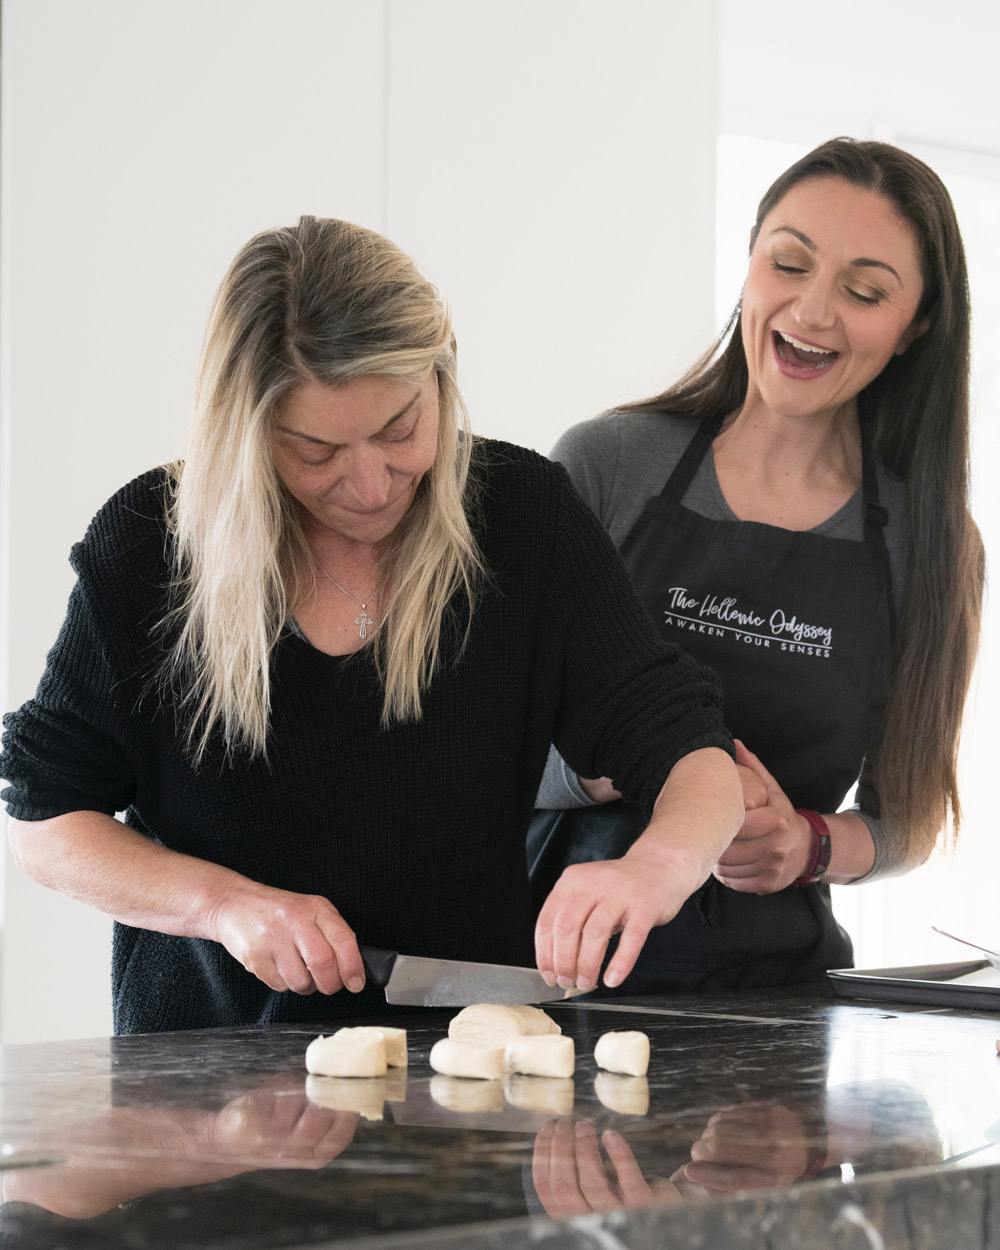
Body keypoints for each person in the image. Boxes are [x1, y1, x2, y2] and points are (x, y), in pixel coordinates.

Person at [0, 216, 743, 1034]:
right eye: (315, 450)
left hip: (470, 1070)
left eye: (400, 431)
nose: (369, 485)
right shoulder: (151, 545)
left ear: (441, 376)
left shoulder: (523, 518)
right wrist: (221, 905)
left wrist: (658, 866)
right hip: (204, 1081)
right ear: (243, 430)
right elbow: (46, 824)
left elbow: (688, 749)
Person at [530, 137, 984, 991]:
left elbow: (909, 817)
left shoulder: (932, 543)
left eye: (864, 291)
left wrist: (807, 846)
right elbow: (480, 749)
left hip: (771, 993)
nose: (813, 312)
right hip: (545, 970)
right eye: (789, 263)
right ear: (749, 264)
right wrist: (611, 768)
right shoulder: (607, 464)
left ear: (916, 325)